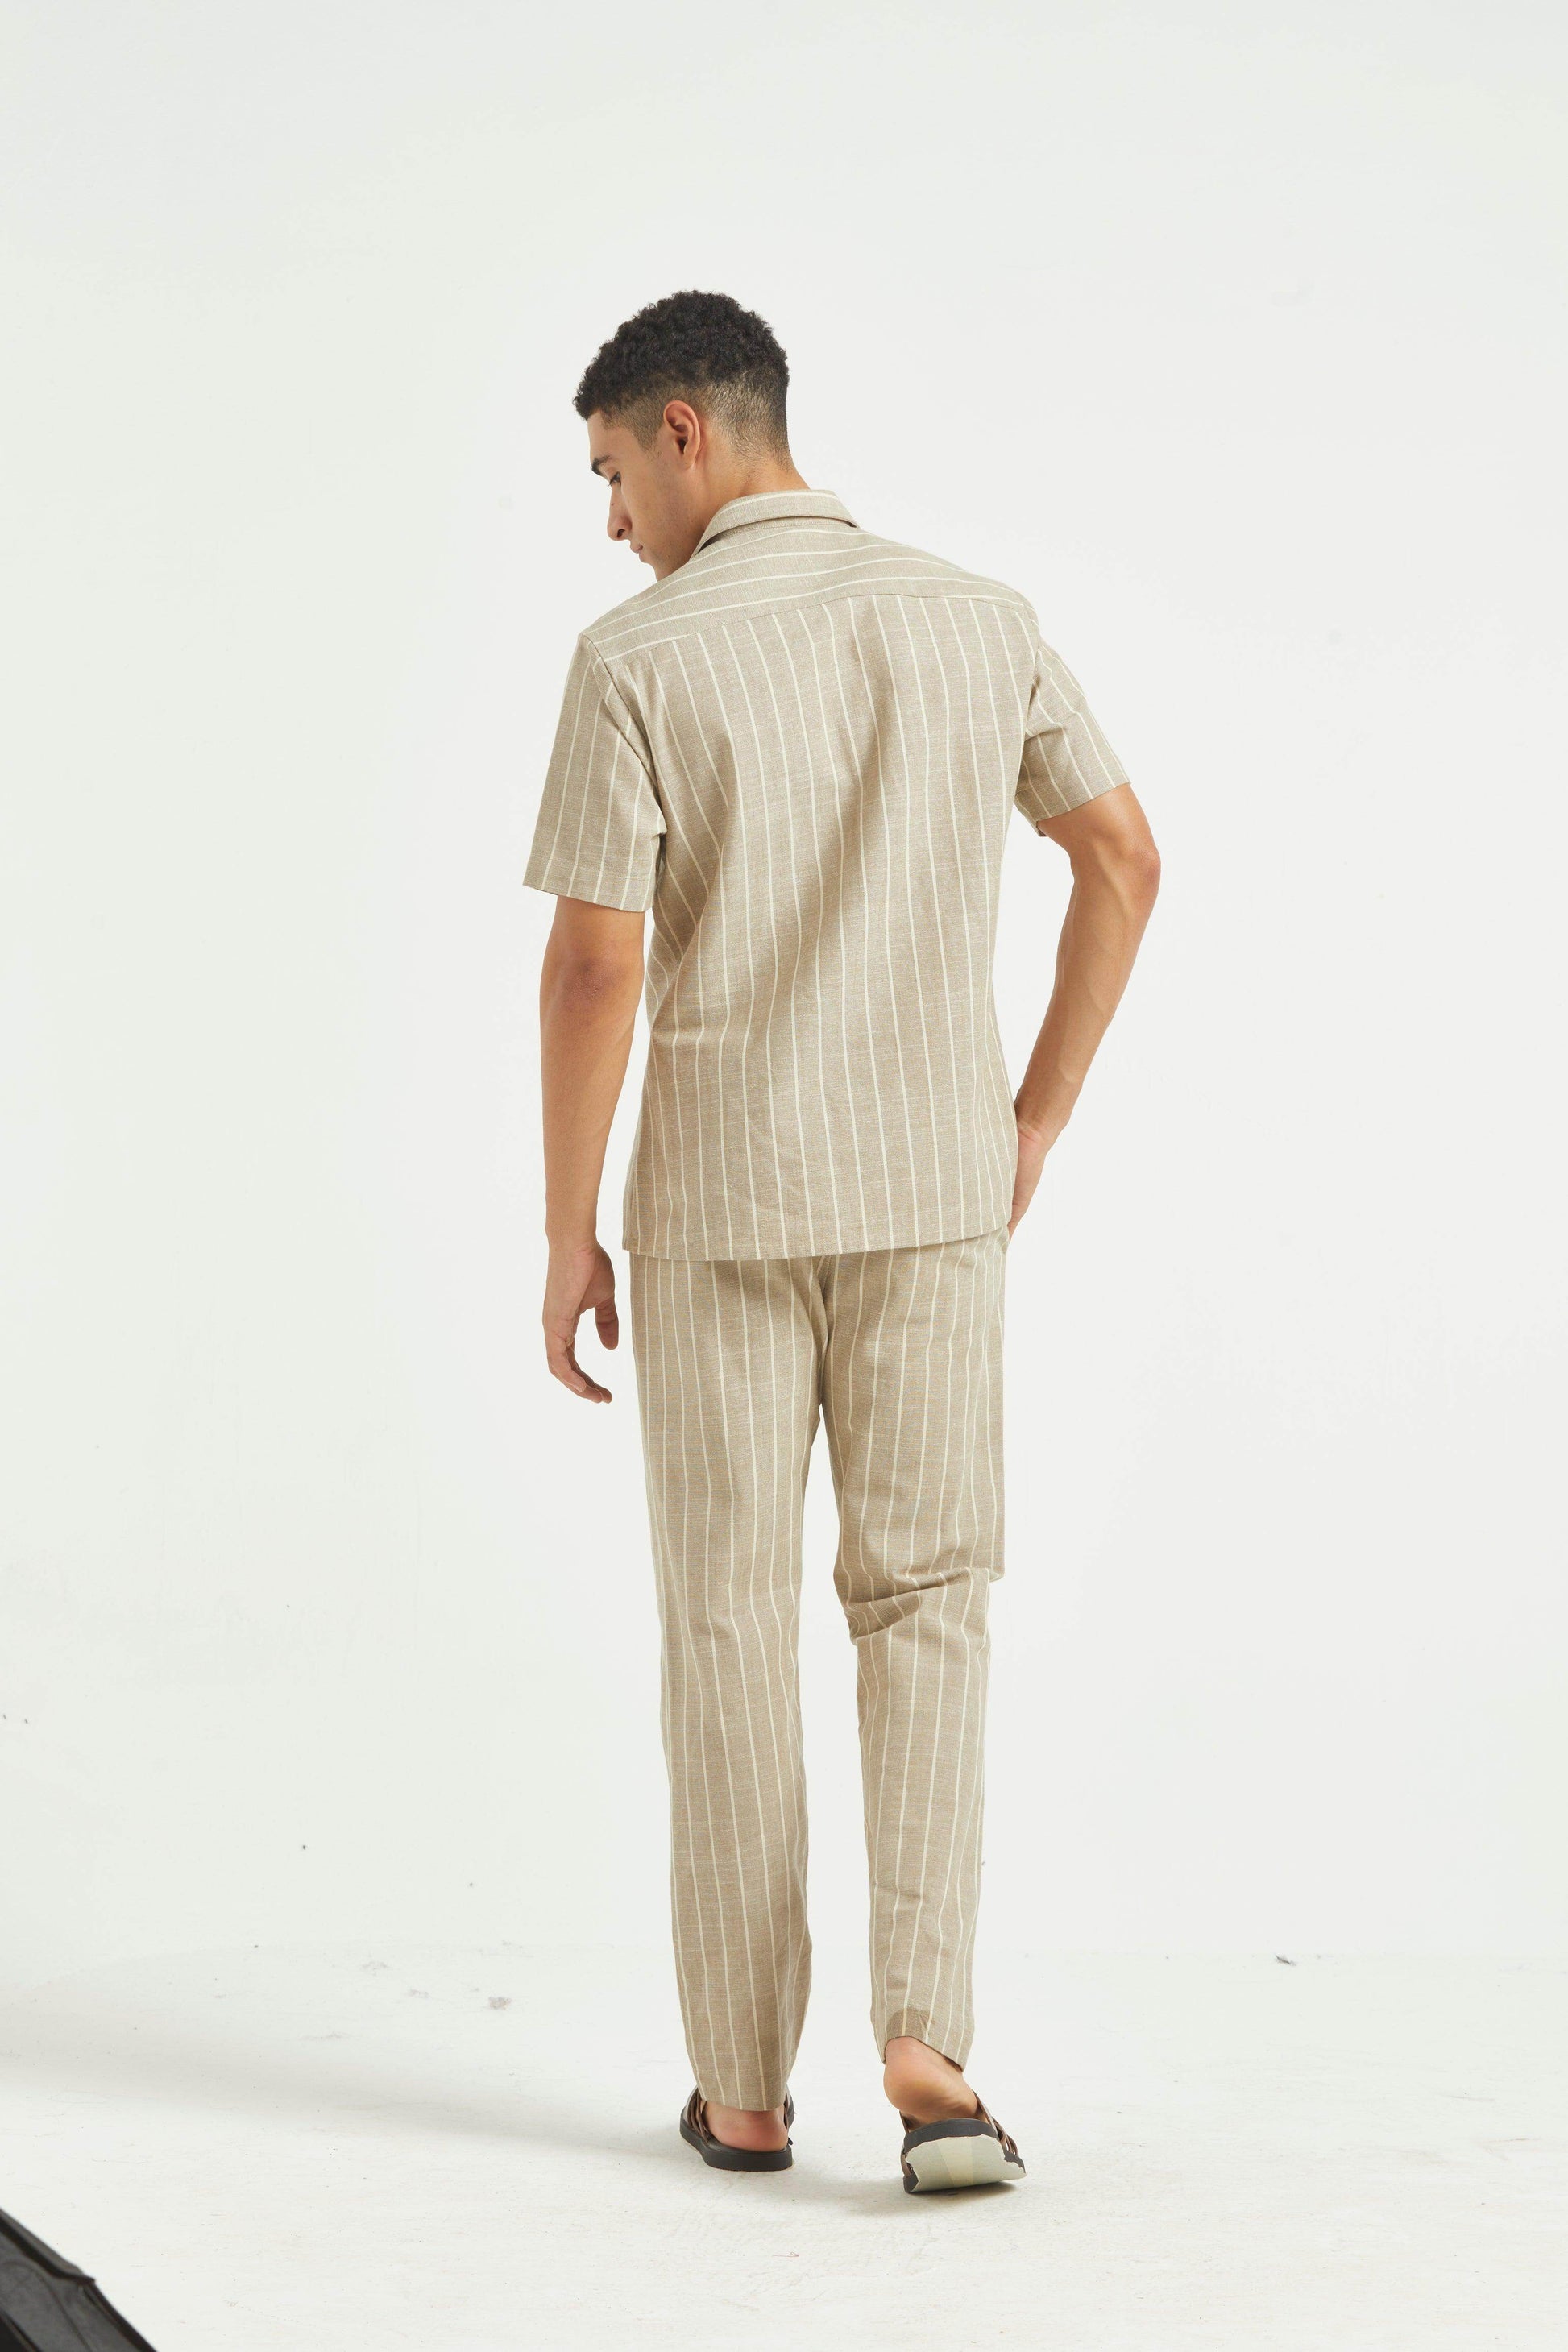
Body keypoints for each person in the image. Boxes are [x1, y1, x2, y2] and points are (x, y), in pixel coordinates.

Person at [525, 289, 1159, 2192]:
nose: (609, 518)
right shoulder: (977, 620)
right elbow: (1123, 855)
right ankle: (927, 2044)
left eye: (610, 472)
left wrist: (567, 1230)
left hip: (718, 1201)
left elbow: (593, 962)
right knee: (928, 1599)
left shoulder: (636, 657)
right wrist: (1030, 1118)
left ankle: (740, 2088)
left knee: (726, 1621)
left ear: (685, 431)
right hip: (931, 1193)